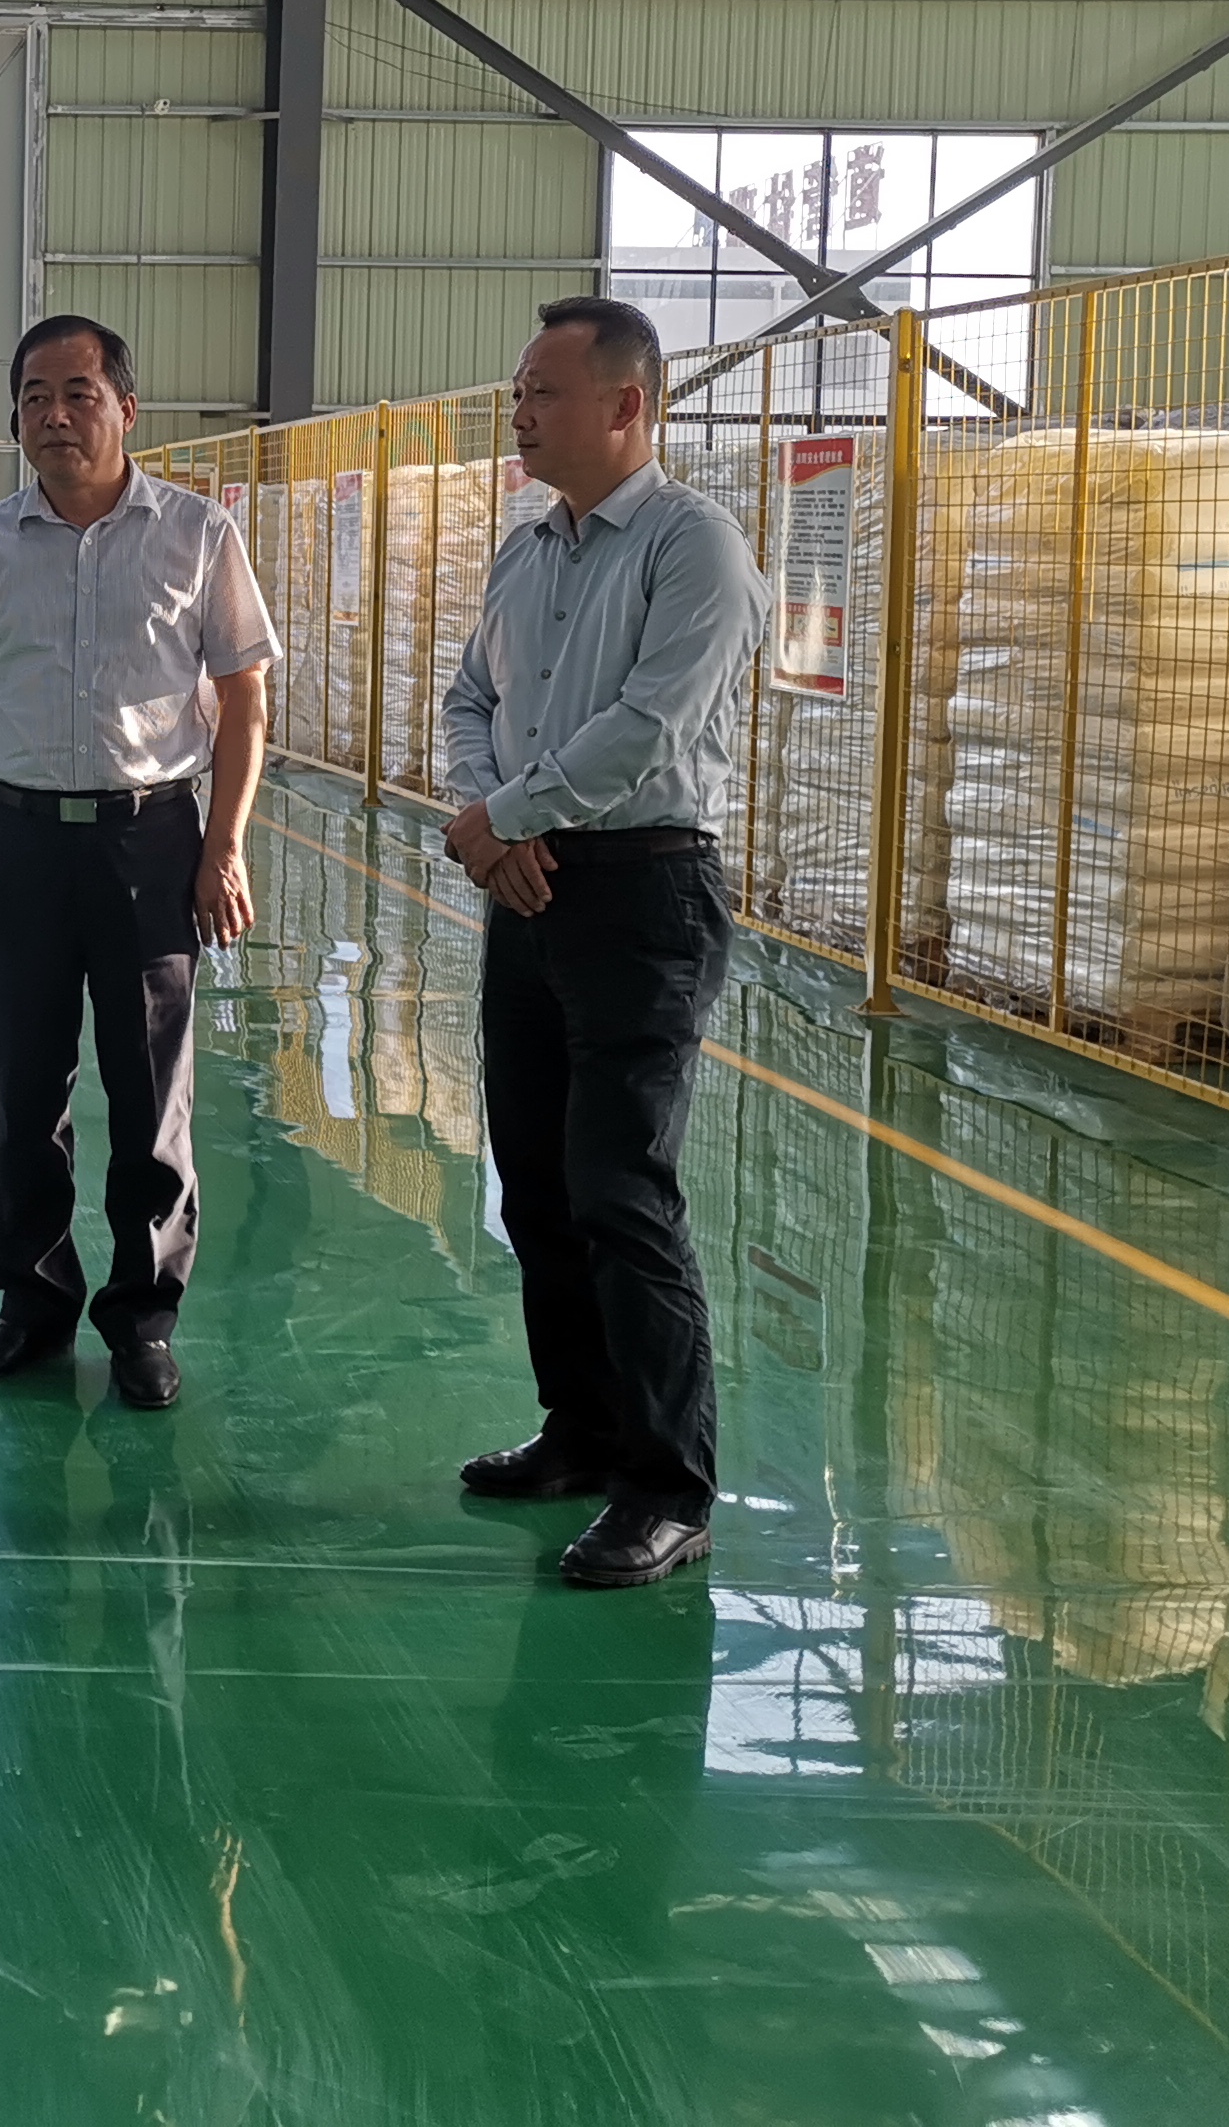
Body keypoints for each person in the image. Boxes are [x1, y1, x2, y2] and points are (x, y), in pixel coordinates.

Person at [438, 295, 770, 1590]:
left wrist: (505, 818)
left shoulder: (696, 549)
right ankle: (580, 1429)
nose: (520, 415)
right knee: (534, 1182)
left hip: (642, 892)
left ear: (627, 405)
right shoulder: (528, 552)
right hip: (528, 891)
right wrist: (494, 828)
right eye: (519, 394)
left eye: (545, 393)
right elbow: (472, 699)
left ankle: (668, 1487)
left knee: (622, 1192)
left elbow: (648, 725)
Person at [0, 314, 274, 1411]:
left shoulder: (199, 534)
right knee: (24, 1094)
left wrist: (222, 847)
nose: (55, 415)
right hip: (16, 842)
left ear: (127, 408)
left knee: (150, 1093)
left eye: (79, 393)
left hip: (149, 843)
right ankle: (32, 1310)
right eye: (34, 396)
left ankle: (142, 1319)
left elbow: (245, 701)